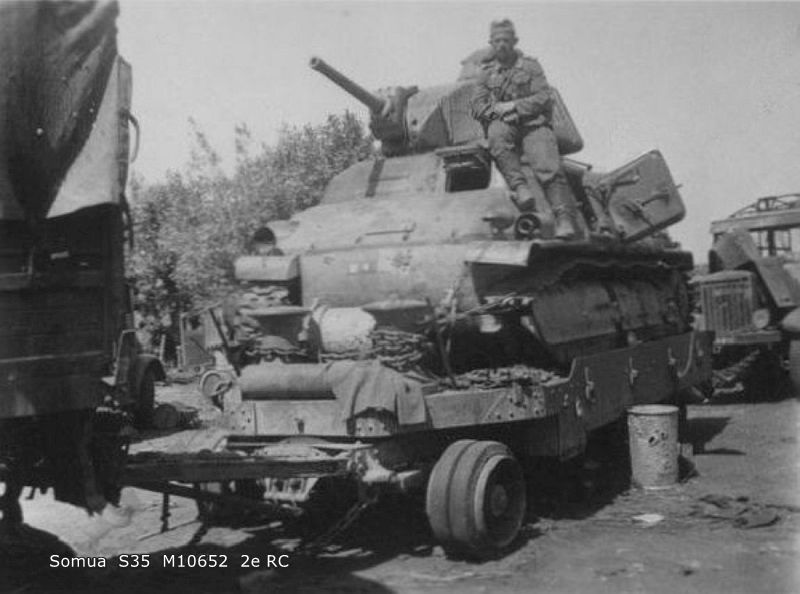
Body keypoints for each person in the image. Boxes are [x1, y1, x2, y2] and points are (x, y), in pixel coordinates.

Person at [472, 19, 577, 239]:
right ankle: (520, 187)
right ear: (491, 43)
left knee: (547, 165)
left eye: (506, 40)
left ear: (514, 41)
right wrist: (498, 113)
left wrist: (514, 107)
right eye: (497, 41)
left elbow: (543, 96)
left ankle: (564, 218)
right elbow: (478, 105)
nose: (501, 45)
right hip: (504, 123)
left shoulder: (530, 66)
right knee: (496, 136)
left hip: (533, 123)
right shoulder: (486, 73)